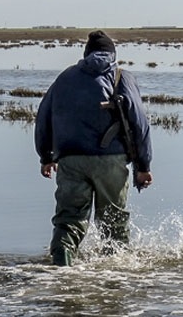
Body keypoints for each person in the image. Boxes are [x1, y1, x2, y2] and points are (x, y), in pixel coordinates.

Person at [35, 30, 153, 266]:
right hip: (111, 161)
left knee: (68, 221)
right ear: (112, 54)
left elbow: (43, 116)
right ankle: (115, 275)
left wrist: (46, 156)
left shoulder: (64, 78)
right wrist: (143, 165)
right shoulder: (121, 77)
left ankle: (61, 268)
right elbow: (139, 122)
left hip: (70, 161)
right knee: (113, 222)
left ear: (86, 54)